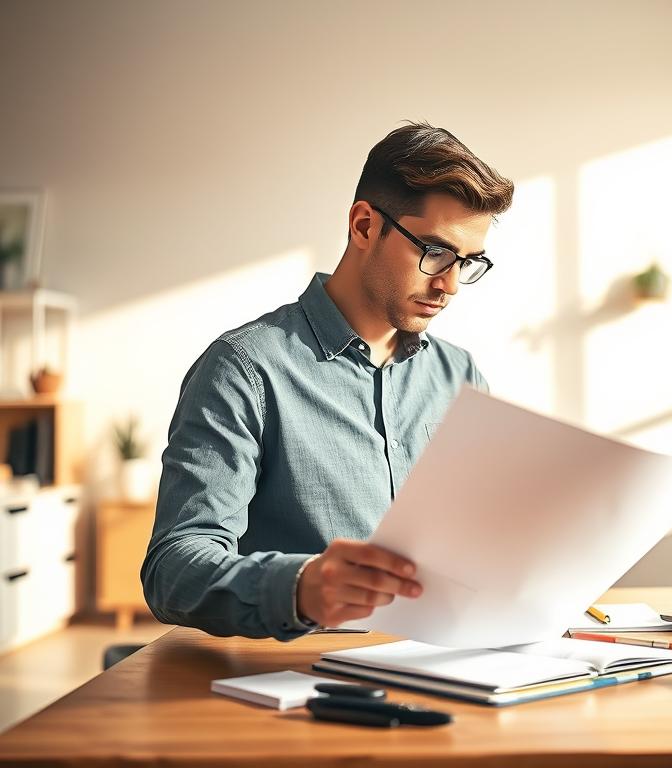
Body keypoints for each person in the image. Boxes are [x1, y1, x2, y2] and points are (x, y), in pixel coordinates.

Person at [141, 123, 514, 639]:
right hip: (300, 680)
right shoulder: (243, 370)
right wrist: (300, 587)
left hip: (447, 661)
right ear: (364, 226)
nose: (450, 284)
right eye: (436, 252)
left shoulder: (462, 376)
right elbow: (173, 569)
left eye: (468, 263)